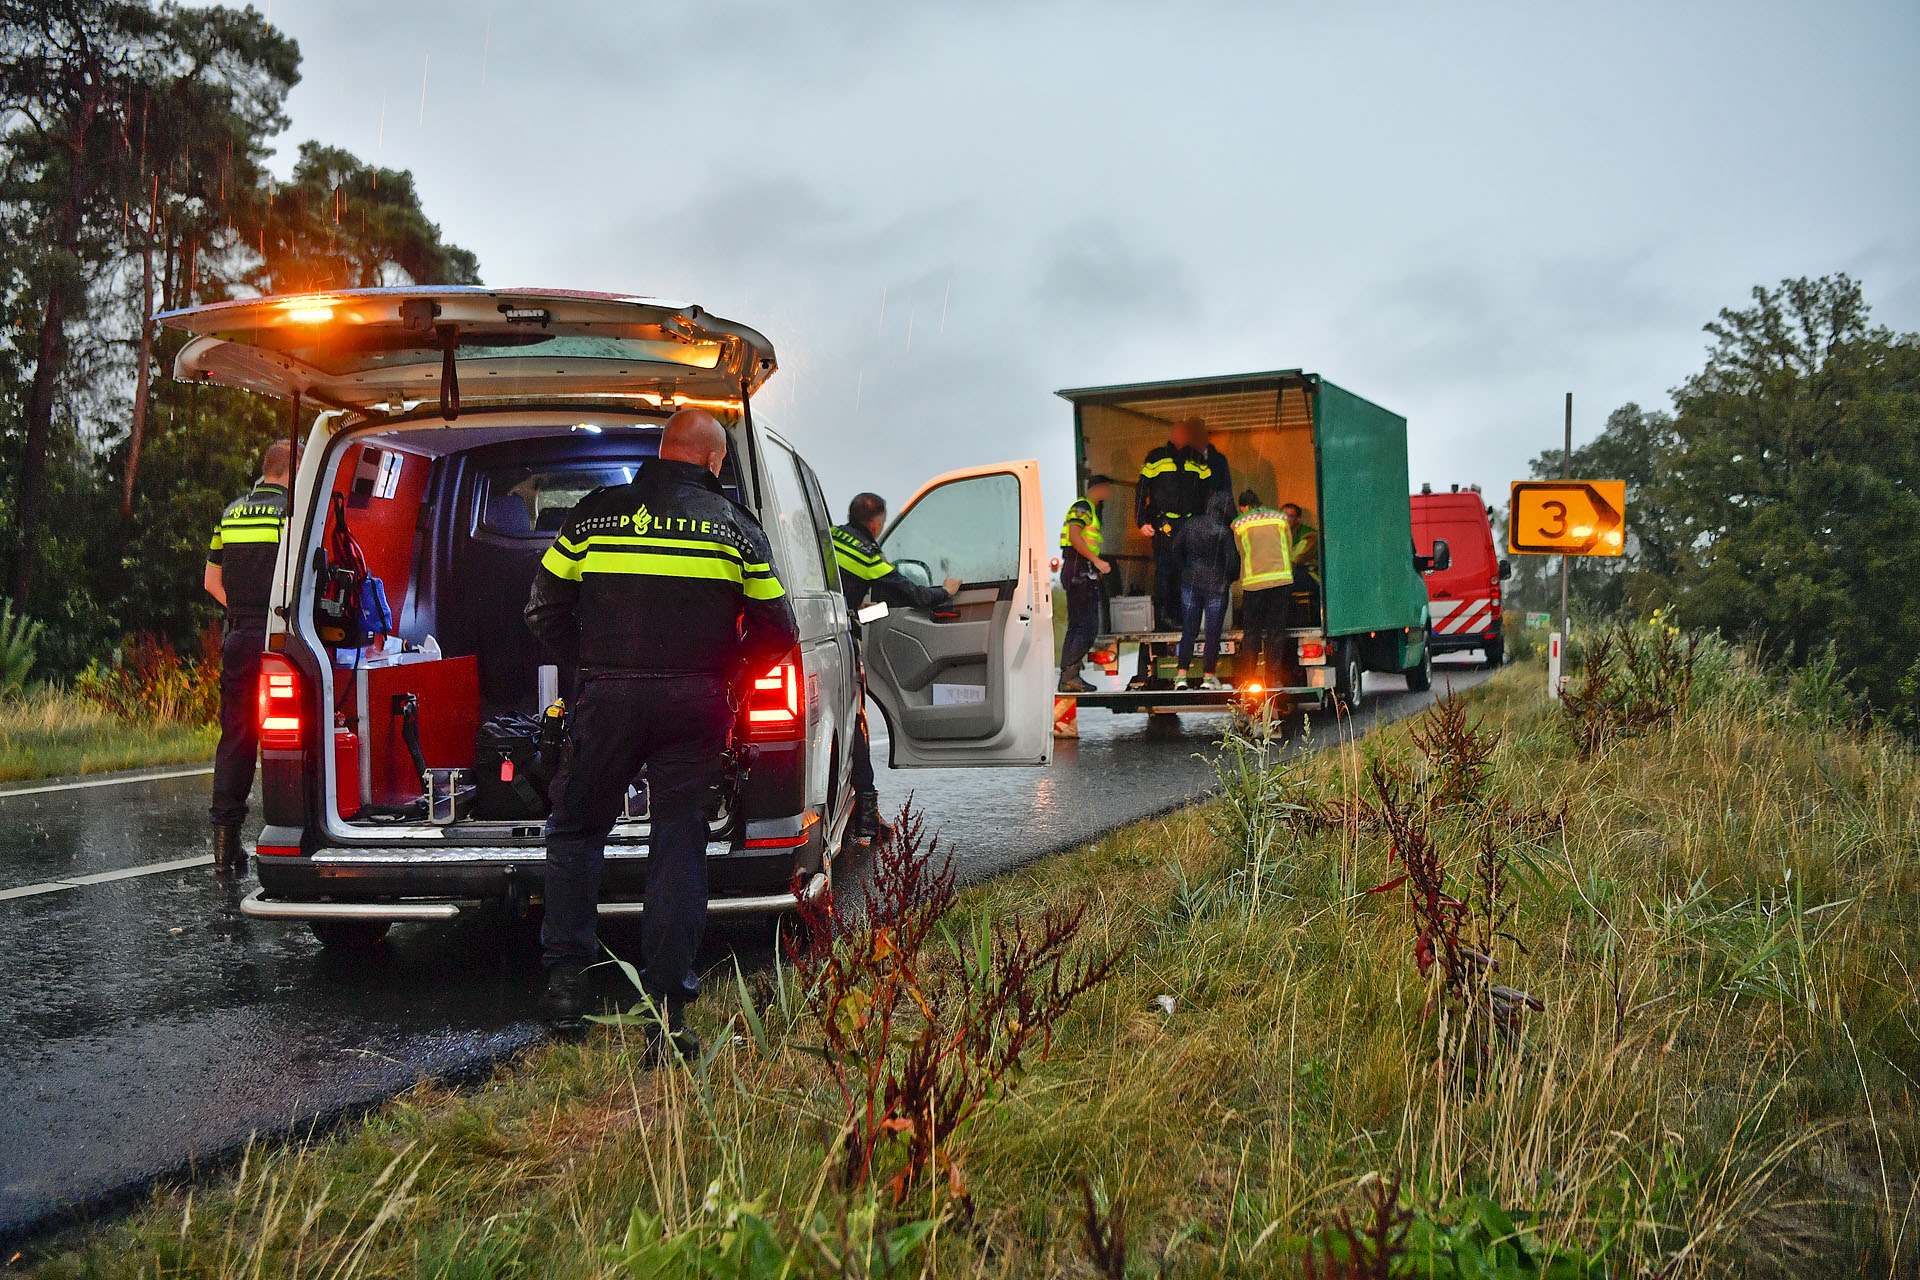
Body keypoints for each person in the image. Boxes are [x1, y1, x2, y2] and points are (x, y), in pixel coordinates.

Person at [525, 408, 799, 1049]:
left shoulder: (593, 514)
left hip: (607, 696)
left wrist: (589, 666)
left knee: (577, 831)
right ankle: (669, 1014)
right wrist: (727, 676)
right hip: (694, 702)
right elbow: (778, 631)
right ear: (711, 461)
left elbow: (542, 609)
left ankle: (567, 994)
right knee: (678, 846)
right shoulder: (733, 526)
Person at [832, 492, 961, 841]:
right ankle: (867, 817)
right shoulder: (866, 553)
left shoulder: (830, 535)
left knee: (835, 730)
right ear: (877, 523)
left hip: (815, 633)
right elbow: (910, 593)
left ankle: (855, 812)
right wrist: (945, 592)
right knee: (854, 725)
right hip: (837, 642)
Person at [204, 439, 298, 875]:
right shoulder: (292, 513)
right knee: (297, 735)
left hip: (239, 634)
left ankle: (225, 847)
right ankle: (298, 835)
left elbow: (211, 581)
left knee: (237, 736)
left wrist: (241, 611)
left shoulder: (230, 512)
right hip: (281, 636)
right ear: (293, 470)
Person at [1171, 491, 1239, 690]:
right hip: (1216, 586)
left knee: (1189, 631)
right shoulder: (1223, 531)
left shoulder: (1190, 525)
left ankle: (1181, 676)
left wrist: (1184, 571)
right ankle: (1208, 678)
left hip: (1190, 584)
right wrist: (1229, 579)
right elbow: (1232, 560)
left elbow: (1176, 550)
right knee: (1212, 633)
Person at [1056, 475, 1114, 693]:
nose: (1109, 495)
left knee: (1077, 626)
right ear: (1099, 488)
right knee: (1088, 627)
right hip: (1078, 570)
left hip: (1079, 571)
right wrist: (1097, 562)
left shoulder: (1091, 509)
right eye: (1108, 489)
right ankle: (1069, 676)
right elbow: (1074, 536)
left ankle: (1069, 677)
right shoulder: (1083, 506)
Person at [1231, 489, 1294, 689]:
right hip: (1280, 581)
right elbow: (1289, 548)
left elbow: (1240, 551)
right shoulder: (1280, 518)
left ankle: (1249, 677)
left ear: (1244, 507)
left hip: (1254, 584)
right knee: (1276, 631)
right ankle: (1273, 677)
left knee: (1252, 632)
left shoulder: (1239, 523)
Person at [1281, 502, 1321, 627]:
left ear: (1298, 519)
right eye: (1283, 515)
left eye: (1289, 516)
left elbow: (1295, 559)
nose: (1285, 519)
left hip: (1310, 576)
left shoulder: (1309, 535)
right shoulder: (1278, 534)